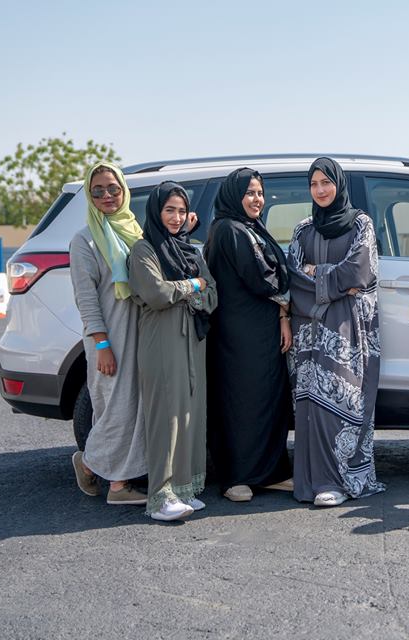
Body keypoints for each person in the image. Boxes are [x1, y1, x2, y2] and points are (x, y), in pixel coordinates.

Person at [287, 157, 385, 507]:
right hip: (310, 329)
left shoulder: (361, 223)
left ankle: (339, 481)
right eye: (314, 184)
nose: (320, 190)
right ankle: (312, 482)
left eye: (326, 182)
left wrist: (319, 273)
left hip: (348, 329)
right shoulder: (302, 229)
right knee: (311, 407)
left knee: (343, 400)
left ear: (338, 184)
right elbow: (294, 275)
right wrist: (334, 280)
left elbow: (359, 271)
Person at [128, 181, 217, 521]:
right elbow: (156, 294)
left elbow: (213, 296)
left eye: (181, 211)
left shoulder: (191, 250)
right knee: (166, 414)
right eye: (170, 210)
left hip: (193, 340)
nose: (177, 217)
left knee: (191, 413)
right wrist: (192, 285)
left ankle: (185, 489)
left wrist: (187, 290)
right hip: (162, 340)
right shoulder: (143, 250)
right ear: (156, 211)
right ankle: (160, 497)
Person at [205, 168, 294, 502]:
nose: (257, 199)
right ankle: (235, 477)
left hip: (262, 332)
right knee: (240, 403)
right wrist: (291, 287)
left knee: (268, 400)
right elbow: (262, 277)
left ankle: (269, 472)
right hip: (237, 336)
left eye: (259, 193)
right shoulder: (228, 229)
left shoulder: (250, 227)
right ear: (234, 196)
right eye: (250, 193)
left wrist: (283, 312)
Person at [69, 162, 148, 506]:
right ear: (89, 194)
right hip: (108, 337)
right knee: (116, 407)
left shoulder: (134, 231)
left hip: (139, 333)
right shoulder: (84, 240)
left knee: (135, 407)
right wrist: (101, 343)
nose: (106, 196)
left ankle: (117, 475)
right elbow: (85, 299)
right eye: (97, 190)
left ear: (124, 191)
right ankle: (107, 478)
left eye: (113, 189)